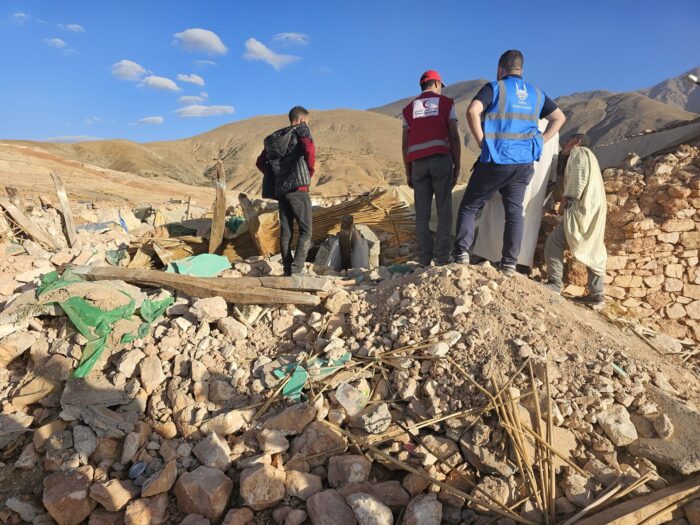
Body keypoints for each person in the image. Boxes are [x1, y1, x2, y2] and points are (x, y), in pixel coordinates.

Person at [454, 50, 566, 275]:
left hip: (496, 158)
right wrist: (540, 143)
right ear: (521, 70)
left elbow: (472, 111)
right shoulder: (536, 93)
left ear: (500, 69)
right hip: (524, 163)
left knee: (470, 205)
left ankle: (461, 254)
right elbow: (559, 118)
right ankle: (509, 264)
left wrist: (481, 141)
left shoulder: (495, 88)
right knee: (515, 212)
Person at [402, 70, 461, 266]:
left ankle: (424, 259)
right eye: (441, 87)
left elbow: (405, 144)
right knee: (444, 210)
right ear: (436, 83)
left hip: (417, 164)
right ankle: (443, 258)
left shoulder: (408, 109)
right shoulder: (446, 104)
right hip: (440, 160)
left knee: (422, 214)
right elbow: (453, 136)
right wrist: (457, 164)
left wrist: (408, 171)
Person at [545, 134, 607, 304]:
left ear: (577, 142)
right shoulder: (591, 157)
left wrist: (567, 200)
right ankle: (597, 294)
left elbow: (578, 179)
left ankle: (555, 284)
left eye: (567, 141)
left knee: (554, 243)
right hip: (594, 208)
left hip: (581, 207)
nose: (564, 145)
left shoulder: (579, 152)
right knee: (594, 248)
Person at [256, 106, 315, 276]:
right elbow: (310, 151)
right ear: (302, 120)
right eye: (307, 121)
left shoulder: (275, 139)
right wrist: (308, 173)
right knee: (306, 231)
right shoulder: (302, 130)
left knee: (286, 231)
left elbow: (260, 162)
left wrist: (277, 175)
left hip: (282, 190)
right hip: (298, 189)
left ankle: (288, 269)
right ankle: (297, 270)